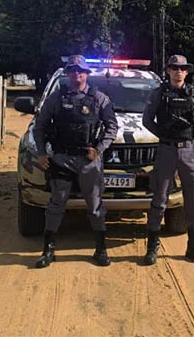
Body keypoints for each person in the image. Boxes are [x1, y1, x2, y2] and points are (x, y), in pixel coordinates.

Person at [32, 55, 118, 268]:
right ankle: (48, 250)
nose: (76, 74)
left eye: (80, 71)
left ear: (87, 74)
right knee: (56, 204)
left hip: (89, 161)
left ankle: (101, 249)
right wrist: (42, 153)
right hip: (62, 158)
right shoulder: (57, 97)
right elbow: (40, 125)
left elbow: (112, 127)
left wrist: (98, 150)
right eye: (72, 70)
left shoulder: (99, 98)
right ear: (67, 73)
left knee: (96, 206)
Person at [141, 54, 194, 265]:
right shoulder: (159, 94)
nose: (178, 71)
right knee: (160, 198)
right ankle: (152, 245)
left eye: (182, 68)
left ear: (186, 72)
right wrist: (164, 133)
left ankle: (193, 245)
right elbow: (147, 120)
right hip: (166, 150)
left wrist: (192, 138)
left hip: (188, 150)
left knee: (192, 198)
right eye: (174, 68)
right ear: (168, 70)